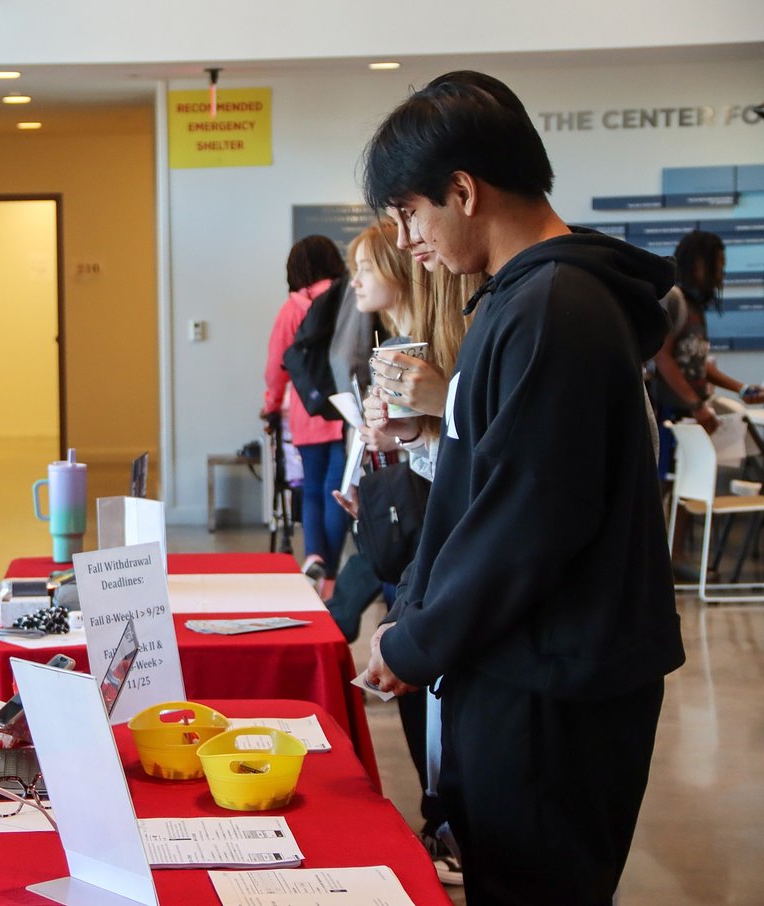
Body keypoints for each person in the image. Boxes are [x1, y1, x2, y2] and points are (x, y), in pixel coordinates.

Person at [361, 71, 685, 905]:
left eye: (409, 213)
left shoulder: (556, 307)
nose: (407, 239)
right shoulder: (522, 301)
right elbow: (495, 482)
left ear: (463, 191)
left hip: (554, 687)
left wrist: (417, 640)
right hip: (527, 667)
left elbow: (528, 522)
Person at [330, 218, 474, 886]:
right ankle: (442, 817)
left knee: (436, 695)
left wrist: (429, 419)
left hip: (440, 555)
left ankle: (448, 822)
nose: (355, 280)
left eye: (365, 267)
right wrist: (402, 445)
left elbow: (477, 473)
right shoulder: (398, 344)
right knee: (423, 699)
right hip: (415, 547)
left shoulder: (455, 345)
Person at [262, 235, 352, 583]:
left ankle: (314, 553)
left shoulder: (291, 309)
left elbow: (276, 367)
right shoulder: (350, 298)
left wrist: (270, 405)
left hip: (307, 409)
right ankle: (330, 574)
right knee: (337, 489)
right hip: (347, 409)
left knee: (311, 488)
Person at [650, 229, 763, 467]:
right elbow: (663, 357)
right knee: (666, 484)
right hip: (668, 413)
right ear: (699, 263)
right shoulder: (674, 299)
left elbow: (696, 364)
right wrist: (696, 404)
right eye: (718, 263)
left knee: (682, 487)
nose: (721, 273)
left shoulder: (696, 307)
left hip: (688, 413)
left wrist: (741, 389)